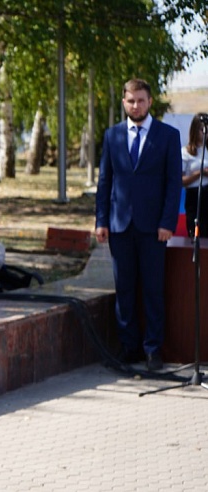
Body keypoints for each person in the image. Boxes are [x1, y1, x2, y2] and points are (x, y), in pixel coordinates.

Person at [95, 78, 182, 371]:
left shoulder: (168, 136)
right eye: (131, 101)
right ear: (124, 102)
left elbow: (173, 184)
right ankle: (129, 348)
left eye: (141, 100)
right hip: (120, 227)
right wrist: (101, 221)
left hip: (154, 229)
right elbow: (105, 181)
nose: (136, 105)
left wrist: (167, 222)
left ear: (150, 102)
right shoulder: (112, 136)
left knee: (153, 291)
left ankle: (152, 350)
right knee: (125, 290)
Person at [181, 113, 208, 237]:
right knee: (196, 233)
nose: (205, 133)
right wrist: (199, 173)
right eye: (202, 129)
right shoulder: (186, 152)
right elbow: (181, 181)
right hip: (194, 196)